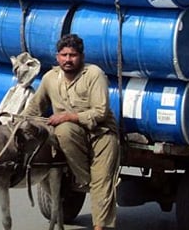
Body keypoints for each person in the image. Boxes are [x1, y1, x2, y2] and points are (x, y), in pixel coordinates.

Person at [22, 34, 119, 230]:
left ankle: (100, 224)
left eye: (73, 55)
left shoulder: (94, 74)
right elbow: (34, 108)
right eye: (64, 55)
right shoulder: (50, 78)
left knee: (102, 180)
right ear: (57, 57)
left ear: (81, 56)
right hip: (73, 135)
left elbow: (100, 112)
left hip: (101, 133)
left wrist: (67, 116)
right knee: (62, 132)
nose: (68, 59)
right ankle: (86, 180)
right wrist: (18, 124)